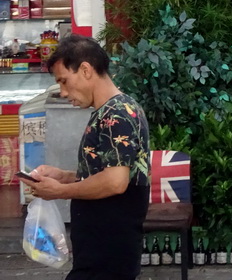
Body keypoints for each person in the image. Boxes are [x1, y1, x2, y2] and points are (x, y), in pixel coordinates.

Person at [25, 34, 151, 280]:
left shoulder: (117, 114)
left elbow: (116, 182)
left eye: (64, 81)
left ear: (85, 70)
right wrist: (64, 177)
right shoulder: (112, 111)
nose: (62, 92)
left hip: (107, 252)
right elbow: (108, 172)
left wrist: (59, 191)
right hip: (101, 250)